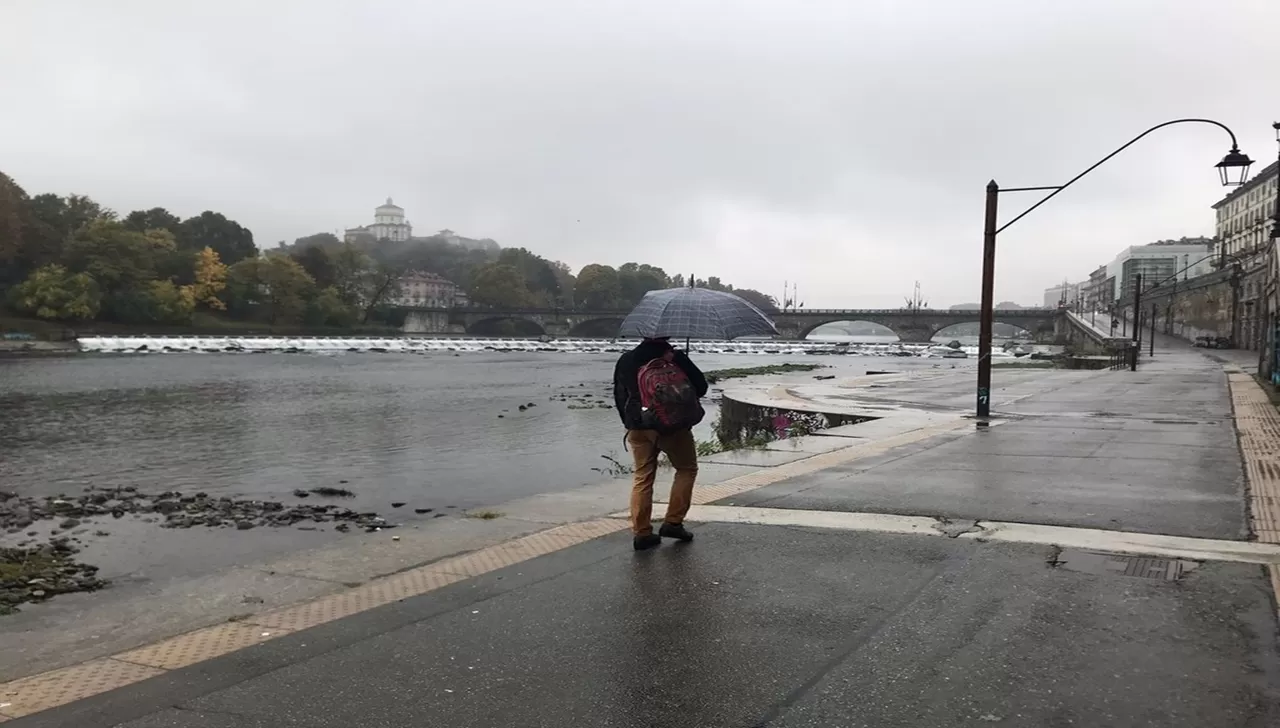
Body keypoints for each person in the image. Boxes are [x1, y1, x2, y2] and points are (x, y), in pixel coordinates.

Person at [612, 336, 709, 550]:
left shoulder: (627, 359)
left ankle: (642, 533)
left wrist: (630, 422)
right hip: (672, 426)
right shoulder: (674, 357)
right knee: (686, 469)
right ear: (666, 335)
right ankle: (673, 522)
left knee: (642, 476)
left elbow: (619, 394)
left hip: (638, 426)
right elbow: (701, 388)